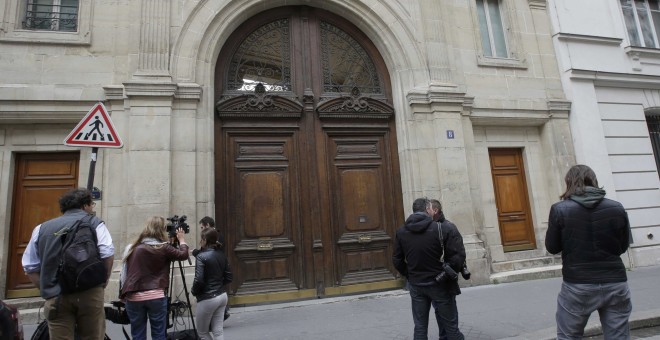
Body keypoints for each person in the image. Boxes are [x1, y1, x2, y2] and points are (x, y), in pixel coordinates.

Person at [545, 164, 632, 339]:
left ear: (569, 182)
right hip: (615, 282)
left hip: (577, 284)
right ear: (593, 180)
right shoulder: (617, 207)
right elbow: (622, 246)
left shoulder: (560, 209)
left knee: (568, 336)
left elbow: (552, 247)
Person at [22, 188, 115, 340]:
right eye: (91, 204)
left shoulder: (41, 229)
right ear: (84, 205)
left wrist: (47, 287)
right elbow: (107, 253)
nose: (92, 207)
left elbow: (29, 266)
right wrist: (102, 281)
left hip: (56, 295)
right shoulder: (95, 223)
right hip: (90, 292)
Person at [393, 198, 465, 340]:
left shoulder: (401, 231)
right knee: (451, 327)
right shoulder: (441, 228)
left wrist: (409, 274)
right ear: (427, 210)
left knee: (420, 327)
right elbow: (458, 257)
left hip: (416, 284)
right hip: (439, 283)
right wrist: (446, 273)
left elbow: (397, 260)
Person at [119, 216, 189, 340]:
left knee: (138, 335)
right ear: (162, 230)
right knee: (158, 335)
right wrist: (182, 240)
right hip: (156, 295)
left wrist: (123, 295)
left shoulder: (132, 247)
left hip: (134, 296)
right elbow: (183, 255)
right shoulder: (164, 247)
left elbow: (123, 274)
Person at [427, 198, 466, 340]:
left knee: (449, 309)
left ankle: (451, 336)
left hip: (445, 278)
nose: (426, 212)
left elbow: (458, 255)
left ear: (435, 210)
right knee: (438, 309)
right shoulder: (429, 227)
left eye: (428, 210)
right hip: (433, 279)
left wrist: (444, 274)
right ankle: (444, 336)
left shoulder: (448, 227)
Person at [192, 227, 233, 340]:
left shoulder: (201, 257)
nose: (200, 241)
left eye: (201, 239)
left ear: (205, 240)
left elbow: (199, 280)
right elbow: (229, 277)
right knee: (218, 332)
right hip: (222, 296)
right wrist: (218, 284)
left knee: (203, 333)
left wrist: (194, 292)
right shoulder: (221, 255)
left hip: (208, 297)